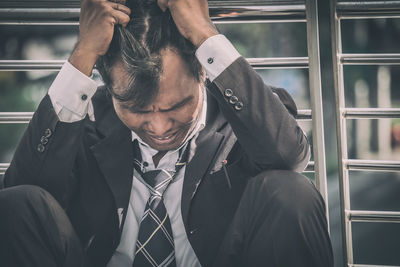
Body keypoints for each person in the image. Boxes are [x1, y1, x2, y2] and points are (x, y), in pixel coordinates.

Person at [0, 0, 333, 266]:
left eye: (176, 106)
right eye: (138, 110)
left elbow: (291, 156)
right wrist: (82, 56)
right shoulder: (82, 118)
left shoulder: (246, 115)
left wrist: (205, 35)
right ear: (108, 87)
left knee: (291, 192)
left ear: (202, 70)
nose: (159, 128)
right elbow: (20, 207)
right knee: (17, 204)